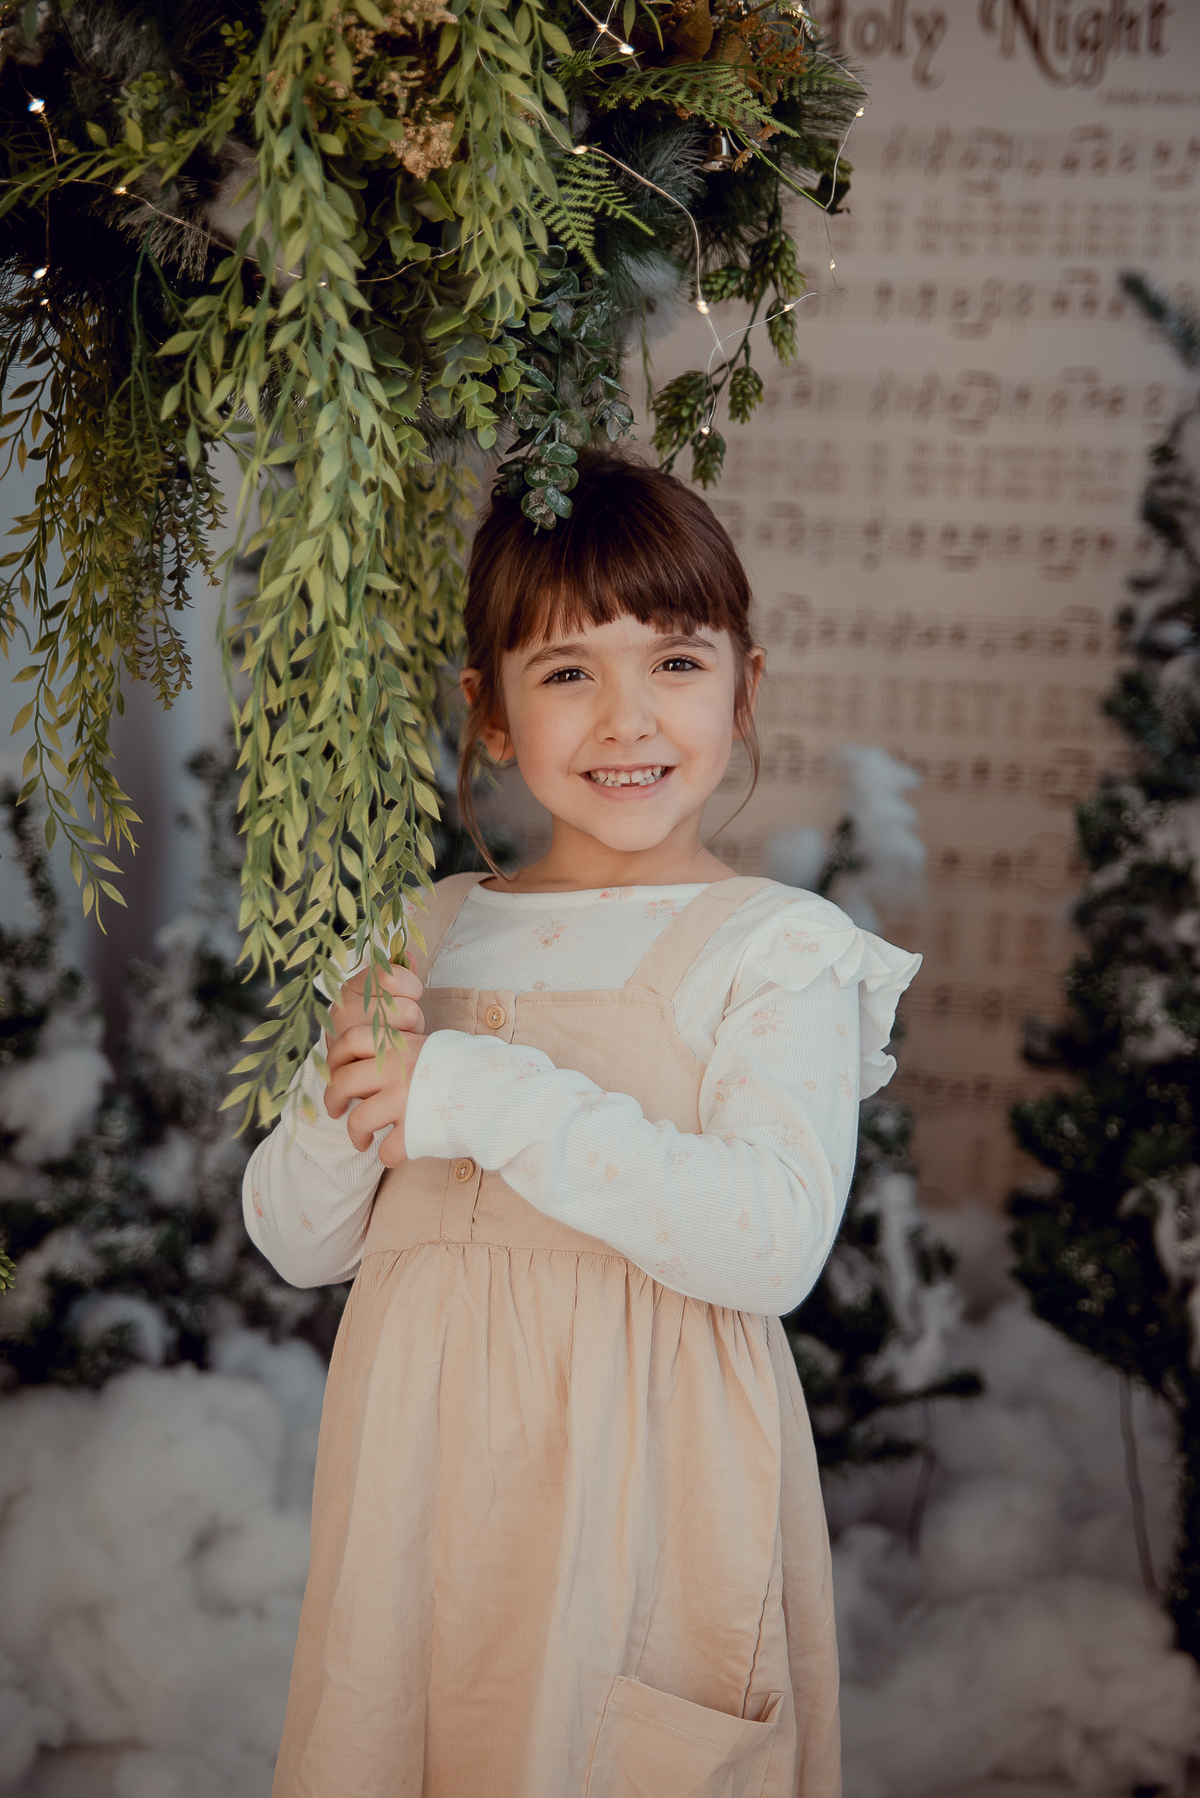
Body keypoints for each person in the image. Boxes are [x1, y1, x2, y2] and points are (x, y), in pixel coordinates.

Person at [244, 448, 921, 1798]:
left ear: (744, 684)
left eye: (674, 660)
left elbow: (773, 1238)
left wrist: (478, 1094)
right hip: (424, 1501)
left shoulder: (774, 951)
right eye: (567, 672)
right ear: (488, 713)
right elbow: (299, 1239)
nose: (628, 718)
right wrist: (343, 1100)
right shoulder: (426, 928)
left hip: (643, 1496)